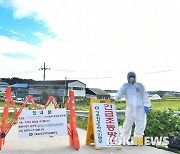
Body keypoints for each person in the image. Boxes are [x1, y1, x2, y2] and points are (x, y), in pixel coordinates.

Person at [113, 71, 151, 143]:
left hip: (140, 109)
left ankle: (138, 141)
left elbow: (145, 95)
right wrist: (114, 98)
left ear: (135, 77)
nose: (131, 79)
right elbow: (119, 94)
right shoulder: (125, 86)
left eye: (132, 77)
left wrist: (147, 105)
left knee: (140, 125)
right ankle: (124, 140)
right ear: (127, 78)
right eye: (130, 77)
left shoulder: (140, 86)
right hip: (130, 108)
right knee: (127, 124)